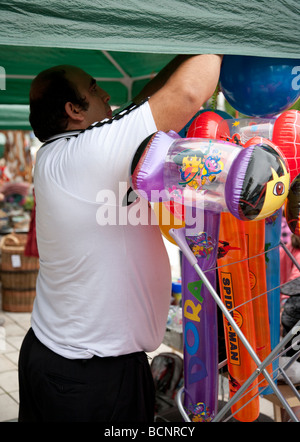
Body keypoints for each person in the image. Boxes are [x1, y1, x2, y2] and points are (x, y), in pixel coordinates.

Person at [18, 54, 223, 422]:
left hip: (67, 360)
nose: (106, 92)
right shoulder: (88, 154)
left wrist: (184, 54)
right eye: (94, 89)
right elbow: (189, 95)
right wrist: (220, 35)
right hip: (88, 375)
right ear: (73, 109)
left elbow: (140, 107)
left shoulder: (65, 154)